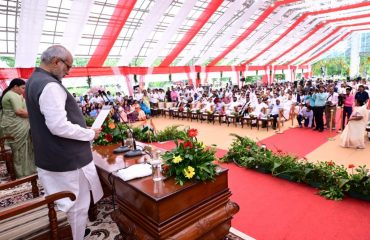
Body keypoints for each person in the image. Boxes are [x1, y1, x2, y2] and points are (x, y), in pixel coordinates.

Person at [25, 45, 103, 240]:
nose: (68, 72)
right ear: (55, 61)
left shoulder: (34, 80)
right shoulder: (50, 86)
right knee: (78, 205)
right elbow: (59, 126)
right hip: (67, 159)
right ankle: (78, 236)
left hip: (52, 156)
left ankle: (80, 231)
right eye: (67, 66)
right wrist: (90, 134)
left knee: (69, 204)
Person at [0, 78, 36, 178]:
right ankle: (24, 172)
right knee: (21, 148)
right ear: (15, 87)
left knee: (23, 148)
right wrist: (35, 114)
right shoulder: (12, 95)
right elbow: (19, 111)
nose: (24, 90)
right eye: (22, 88)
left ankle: (24, 170)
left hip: (14, 125)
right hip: (16, 126)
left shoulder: (11, 94)